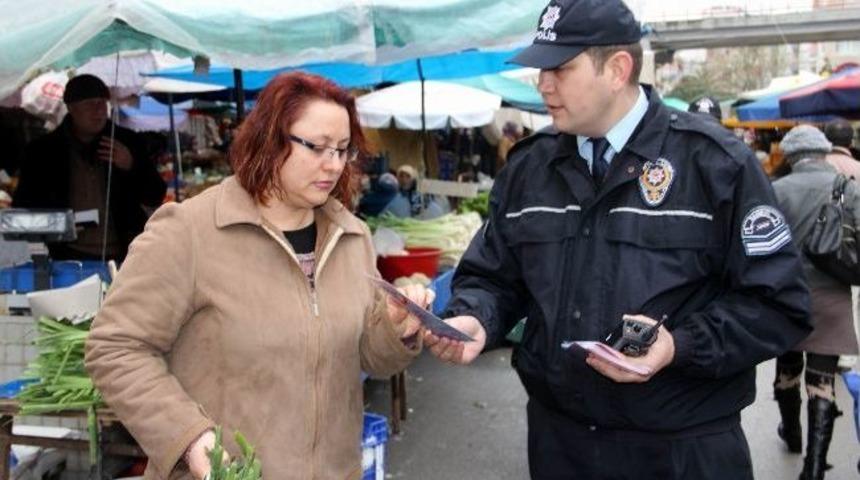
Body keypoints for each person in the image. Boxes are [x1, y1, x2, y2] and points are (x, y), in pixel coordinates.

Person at [424, 1, 813, 478]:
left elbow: (778, 305)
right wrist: (476, 318)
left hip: (682, 452)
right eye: (540, 69)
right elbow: (494, 277)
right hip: (560, 446)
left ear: (617, 69)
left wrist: (678, 346)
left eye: (559, 68)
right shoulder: (529, 168)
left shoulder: (715, 165)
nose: (542, 84)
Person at [85, 72, 432, 480]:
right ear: (270, 139)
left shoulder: (351, 237)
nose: (333, 164)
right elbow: (115, 347)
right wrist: (189, 438)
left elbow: (369, 358)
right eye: (317, 147)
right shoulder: (191, 231)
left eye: (343, 149)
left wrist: (396, 328)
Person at [771, 125, 859, 480]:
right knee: (821, 381)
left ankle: (791, 434)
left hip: (786, 296)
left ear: (790, 156)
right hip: (832, 295)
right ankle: (815, 466)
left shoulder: (775, 189)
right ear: (824, 152)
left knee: (788, 369)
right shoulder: (849, 188)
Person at [13, 74, 166, 261]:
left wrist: (131, 166)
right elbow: (22, 215)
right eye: (89, 104)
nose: (99, 111)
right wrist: (63, 224)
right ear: (71, 108)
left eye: (102, 103)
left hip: (127, 254)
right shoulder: (43, 152)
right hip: (65, 257)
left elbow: (155, 196)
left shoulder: (127, 141)